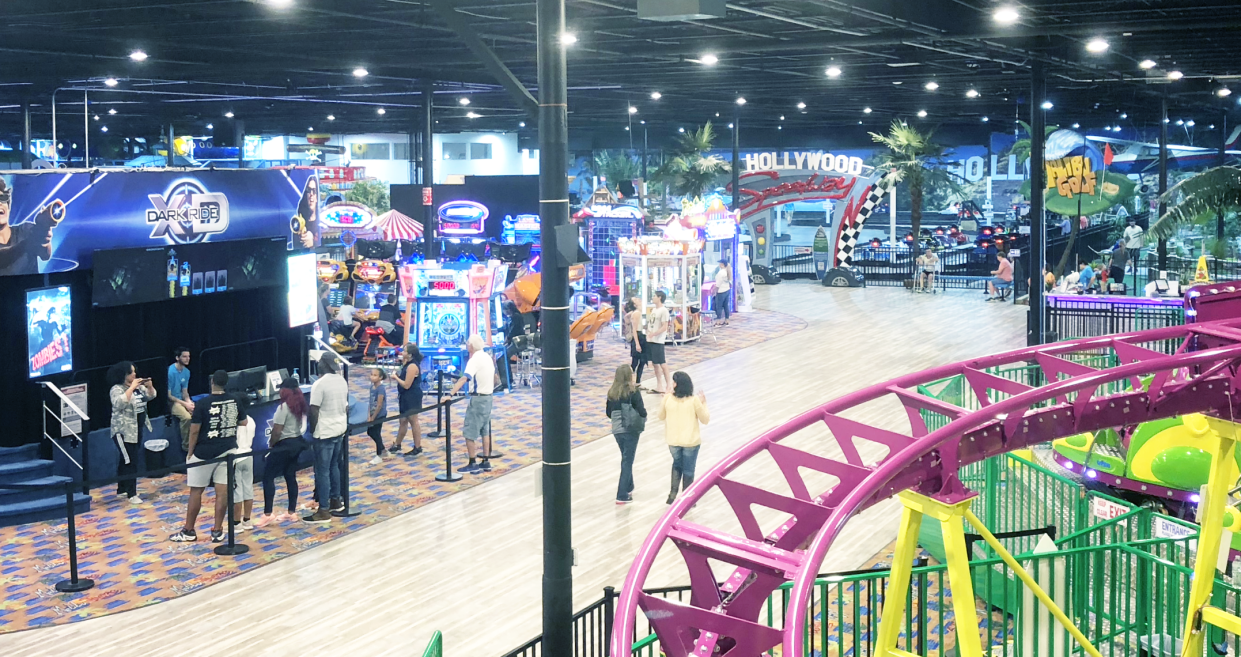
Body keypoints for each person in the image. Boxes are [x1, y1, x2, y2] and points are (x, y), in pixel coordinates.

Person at [170, 370, 249, 542]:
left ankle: (189, 530)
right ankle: (217, 530)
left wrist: (190, 452)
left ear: (212, 381)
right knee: (222, 493)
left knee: (196, 491)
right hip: (228, 451)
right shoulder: (235, 400)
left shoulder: (203, 403)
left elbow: (194, 430)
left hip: (203, 453)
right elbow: (244, 422)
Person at [255, 378, 307, 527]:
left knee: (268, 476)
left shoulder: (283, 407)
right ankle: (291, 512)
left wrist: (271, 444)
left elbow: (277, 430)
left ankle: (268, 514)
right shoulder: (300, 404)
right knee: (290, 475)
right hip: (297, 442)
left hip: (284, 444)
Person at [305, 355, 349, 523]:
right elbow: (346, 407)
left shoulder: (319, 384)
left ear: (323, 365)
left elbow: (314, 410)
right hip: (339, 428)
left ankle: (323, 510)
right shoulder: (342, 381)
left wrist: (313, 430)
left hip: (324, 432)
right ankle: (336, 500)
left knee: (322, 471)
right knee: (334, 466)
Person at [658, 371, 710, 505]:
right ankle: (687, 500)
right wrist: (704, 403)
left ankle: (672, 495)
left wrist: (664, 399)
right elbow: (705, 419)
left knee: (677, 465)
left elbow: (660, 416)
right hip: (691, 442)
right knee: (688, 469)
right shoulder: (694, 401)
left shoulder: (668, 399)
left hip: (673, 441)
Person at [108, 361, 156, 505]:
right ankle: (132, 493)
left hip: (137, 429)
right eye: (131, 372)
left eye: (135, 371)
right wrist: (132, 387)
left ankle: (122, 488)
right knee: (131, 461)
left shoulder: (138, 387)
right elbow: (119, 403)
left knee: (126, 459)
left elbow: (151, 396)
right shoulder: (116, 389)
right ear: (124, 375)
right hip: (122, 431)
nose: (135, 374)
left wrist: (150, 386)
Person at [449, 335, 497, 474]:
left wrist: (450, 394)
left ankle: (472, 462)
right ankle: (485, 461)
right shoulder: (487, 356)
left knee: (470, 431)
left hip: (478, 399)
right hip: (488, 397)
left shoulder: (474, 359)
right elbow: (495, 377)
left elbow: (465, 377)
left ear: (471, 346)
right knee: (485, 430)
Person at [0, 179, 59, 276]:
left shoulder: (26, 230)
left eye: (2, 198)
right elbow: (3, 257)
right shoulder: (28, 238)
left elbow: (45, 255)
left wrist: (44, 230)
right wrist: (27, 243)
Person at [606, 364, 647, 505]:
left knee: (626, 457)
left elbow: (608, 413)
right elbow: (642, 411)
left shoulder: (611, 392)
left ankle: (629, 487)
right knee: (627, 461)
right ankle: (621, 495)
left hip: (616, 430)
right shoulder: (633, 391)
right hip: (631, 429)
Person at [392, 343, 424, 456]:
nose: (402, 352)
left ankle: (417, 447)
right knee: (403, 420)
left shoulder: (412, 366)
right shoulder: (407, 364)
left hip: (412, 396)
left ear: (410, 354)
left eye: (404, 351)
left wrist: (395, 377)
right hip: (404, 396)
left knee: (413, 421)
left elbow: (406, 385)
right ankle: (397, 444)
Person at [232, 413, 256, 531]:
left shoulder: (235, 421)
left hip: (236, 458)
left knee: (237, 491)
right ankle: (247, 520)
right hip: (248, 456)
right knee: (248, 488)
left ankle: (236, 523)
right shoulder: (251, 419)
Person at [167, 347, 194, 450]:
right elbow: (169, 396)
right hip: (173, 402)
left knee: (197, 411)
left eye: (188, 356)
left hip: (181, 400)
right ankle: (186, 446)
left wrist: (189, 403)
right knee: (187, 417)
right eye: (184, 356)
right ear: (177, 358)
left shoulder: (186, 372)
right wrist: (185, 404)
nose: (187, 359)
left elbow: (185, 392)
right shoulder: (170, 372)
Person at [645, 291, 671, 394]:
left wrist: (654, 334)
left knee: (662, 363)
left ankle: (668, 384)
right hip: (651, 339)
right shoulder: (654, 310)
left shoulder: (664, 311)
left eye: (655, 296)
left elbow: (664, 326)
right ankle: (659, 385)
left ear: (659, 298)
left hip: (658, 340)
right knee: (655, 363)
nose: (653, 298)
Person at [366, 367, 390, 465]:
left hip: (379, 415)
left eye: (375, 375)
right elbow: (370, 402)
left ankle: (379, 455)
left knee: (376, 432)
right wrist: (369, 415)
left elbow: (379, 404)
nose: (372, 377)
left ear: (380, 377)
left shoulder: (381, 389)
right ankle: (383, 450)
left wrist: (374, 417)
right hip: (372, 414)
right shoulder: (372, 387)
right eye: (371, 374)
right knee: (370, 432)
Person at [624, 298, 647, 385]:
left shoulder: (638, 312)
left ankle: (637, 382)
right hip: (638, 337)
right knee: (635, 362)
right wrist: (637, 343)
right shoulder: (636, 313)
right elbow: (635, 330)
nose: (639, 299)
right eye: (636, 300)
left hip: (641, 336)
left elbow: (626, 317)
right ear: (634, 304)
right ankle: (629, 381)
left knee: (642, 361)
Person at [713, 259, 732, 325]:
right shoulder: (728, 271)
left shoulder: (721, 273)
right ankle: (727, 319)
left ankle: (718, 320)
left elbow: (718, 284)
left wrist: (714, 291)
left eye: (719, 263)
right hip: (727, 290)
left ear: (722, 264)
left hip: (721, 291)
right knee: (726, 306)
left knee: (719, 306)